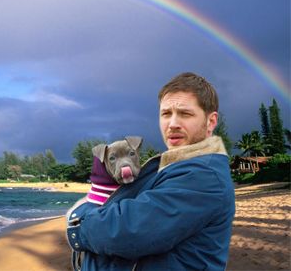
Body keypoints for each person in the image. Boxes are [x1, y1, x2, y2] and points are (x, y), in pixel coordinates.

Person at [66, 72, 235, 270]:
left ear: (211, 122)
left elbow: (128, 232)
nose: (172, 124)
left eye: (185, 114)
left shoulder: (203, 176)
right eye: (166, 114)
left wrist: (79, 218)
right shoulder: (178, 165)